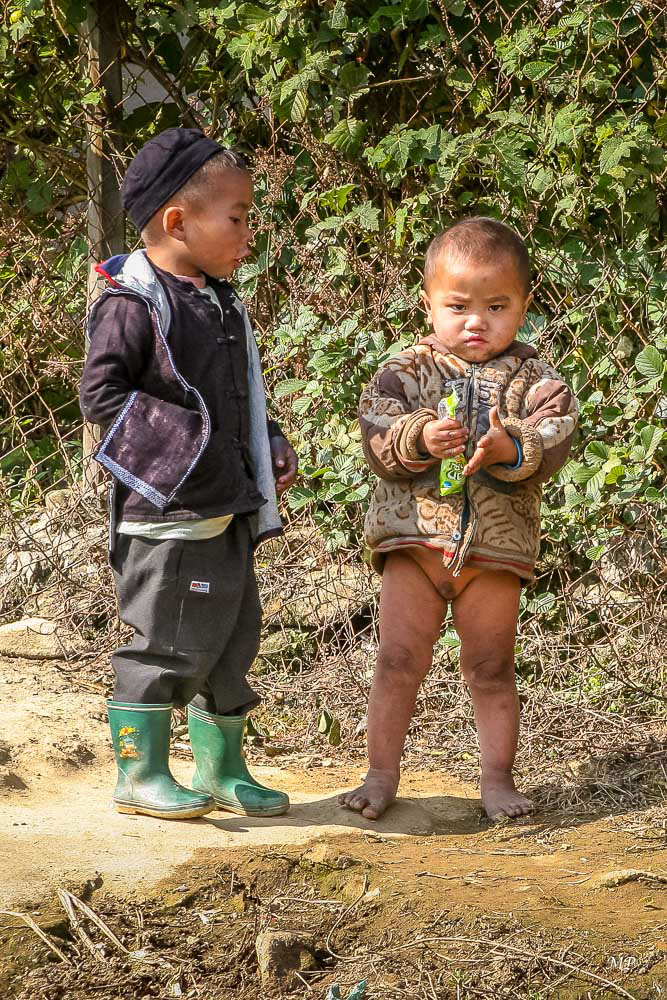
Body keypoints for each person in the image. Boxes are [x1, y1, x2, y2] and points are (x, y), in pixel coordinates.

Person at [80, 127, 298, 821]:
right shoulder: (131, 301)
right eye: (236, 216)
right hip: (168, 516)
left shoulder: (219, 299)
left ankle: (221, 769)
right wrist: (184, 454)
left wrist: (267, 440)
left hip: (226, 505)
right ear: (178, 221)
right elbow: (101, 396)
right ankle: (139, 773)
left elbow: (234, 394)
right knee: (166, 641)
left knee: (231, 639)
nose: (248, 232)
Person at [339, 217, 578, 822]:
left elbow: (554, 437)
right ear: (428, 305)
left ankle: (497, 780)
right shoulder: (404, 372)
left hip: (494, 555)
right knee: (397, 660)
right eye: (458, 306)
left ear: (524, 306)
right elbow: (376, 434)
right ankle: (381, 773)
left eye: (497, 306)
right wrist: (419, 437)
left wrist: (512, 448)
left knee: (492, 668)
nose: (477, 321)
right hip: (416, 546)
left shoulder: (537, 380)